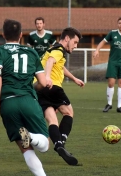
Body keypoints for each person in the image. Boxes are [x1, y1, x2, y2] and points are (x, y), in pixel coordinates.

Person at [0, 19, 50, 176]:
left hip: (8, 104)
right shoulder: (31, 52)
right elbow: (42, 83)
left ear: (3, 35)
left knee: (25, 147)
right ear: (21, 35)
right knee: (44, 145)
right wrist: (44, 82)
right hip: (28, 101)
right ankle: (31, 136)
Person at [34, 27, 84, 166]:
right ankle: (60, 143)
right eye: (75, 42)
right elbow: (50, 61)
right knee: (69, 113)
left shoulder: (53, 49)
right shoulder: (59, 50)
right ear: (67, 39)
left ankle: (59, 145)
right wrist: (48, 77)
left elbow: (59, 66)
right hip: (52, 86)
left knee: (52, 119)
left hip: (39, 88)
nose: (75, 46)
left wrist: (74, 78)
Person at [93, 17, 121, 113]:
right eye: (119, 23)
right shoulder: (112, 33)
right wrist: (97, 50)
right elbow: (102, 42)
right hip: (112, 62)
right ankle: (109, 104)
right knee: (111, 82)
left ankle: (119, 106)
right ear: (117, 24)